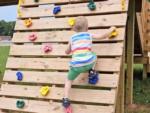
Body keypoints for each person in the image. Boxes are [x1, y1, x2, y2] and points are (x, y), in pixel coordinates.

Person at [62, 16, 116, 110]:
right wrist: (111, 29)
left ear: (74, 28)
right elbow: (102, 36)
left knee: (68, 80)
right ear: (87, 28)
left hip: (76, 66)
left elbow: (67, 52)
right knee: (94, 56)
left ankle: (66, 98)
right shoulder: (88, 35)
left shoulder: (72, 38)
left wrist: (69, 49)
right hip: (89, 62)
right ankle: (91, 71)